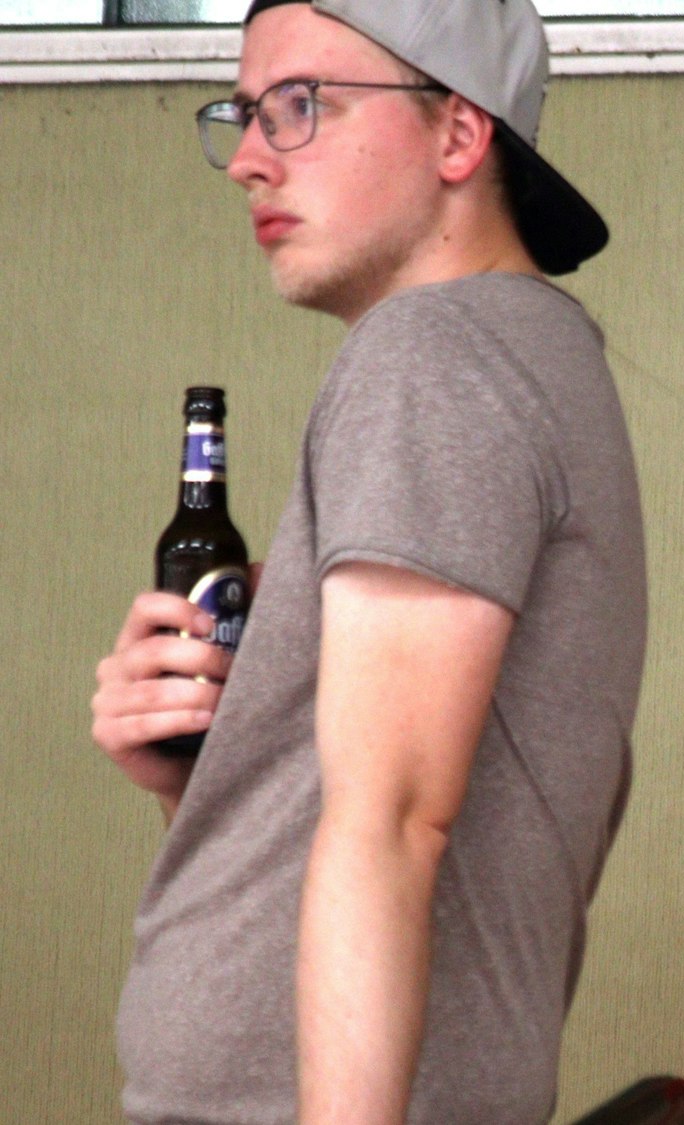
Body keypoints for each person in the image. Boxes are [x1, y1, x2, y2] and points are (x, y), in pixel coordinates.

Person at [88, 1, 646, 1121]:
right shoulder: (524, 356)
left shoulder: (435, 353)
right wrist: (206, 774)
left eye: (302, 106)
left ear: (457, 135)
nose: (248, 160)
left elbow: (394, 821)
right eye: (243, 115)